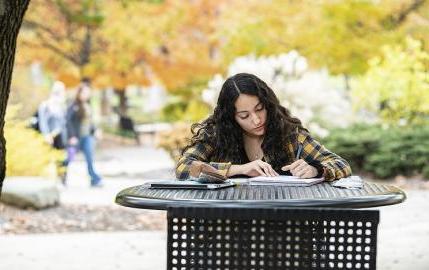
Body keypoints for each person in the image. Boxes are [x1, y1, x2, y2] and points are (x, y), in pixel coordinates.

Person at [176, 73, 352, 181]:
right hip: (227, 226)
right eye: (244, 115)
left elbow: (341, 165)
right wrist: (238, 169)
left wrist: (316, 169)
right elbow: (184, 168)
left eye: (259, 109)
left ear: (268, 104)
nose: (256, 120)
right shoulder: (216, 134)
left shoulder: (290, 136)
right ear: (231, 117)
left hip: (281, 226)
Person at [65, 84, 103, 187]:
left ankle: (94, 178)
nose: (86, 95)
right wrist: (72, 136)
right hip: (76, 138)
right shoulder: (73, 106)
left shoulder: (88, 105)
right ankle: (62, 174)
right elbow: (68, 122)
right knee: (69, 157)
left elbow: (90, 123)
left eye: (88, 93)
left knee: (89, 157)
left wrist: (95, 131)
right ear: (79, 93)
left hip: (87, 137)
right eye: (84, 93)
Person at [38, 81, 67, 150]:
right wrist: (46, 135)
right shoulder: (45, 105)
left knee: (62, 159)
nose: (63, 93)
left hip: (61, 138)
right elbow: (42, 122)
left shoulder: (62, 106)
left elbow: (64, 123)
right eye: (61, 91)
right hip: (49, 138)